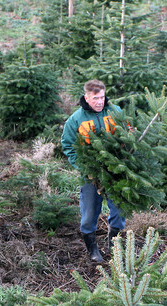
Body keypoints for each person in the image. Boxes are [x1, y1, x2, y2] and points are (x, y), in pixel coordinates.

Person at [61, 79, 126, 262]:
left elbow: (128, 134)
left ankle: (114, 247)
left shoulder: (115, 112)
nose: (100, 102)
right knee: (89, 213)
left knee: (119, 210)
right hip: (90, 175)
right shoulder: (76, 120)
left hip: (114, 172)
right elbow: (68, 145)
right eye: (96, 98)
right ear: (87, 98)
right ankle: (93, 251)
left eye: (102, 97)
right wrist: (84, 168)